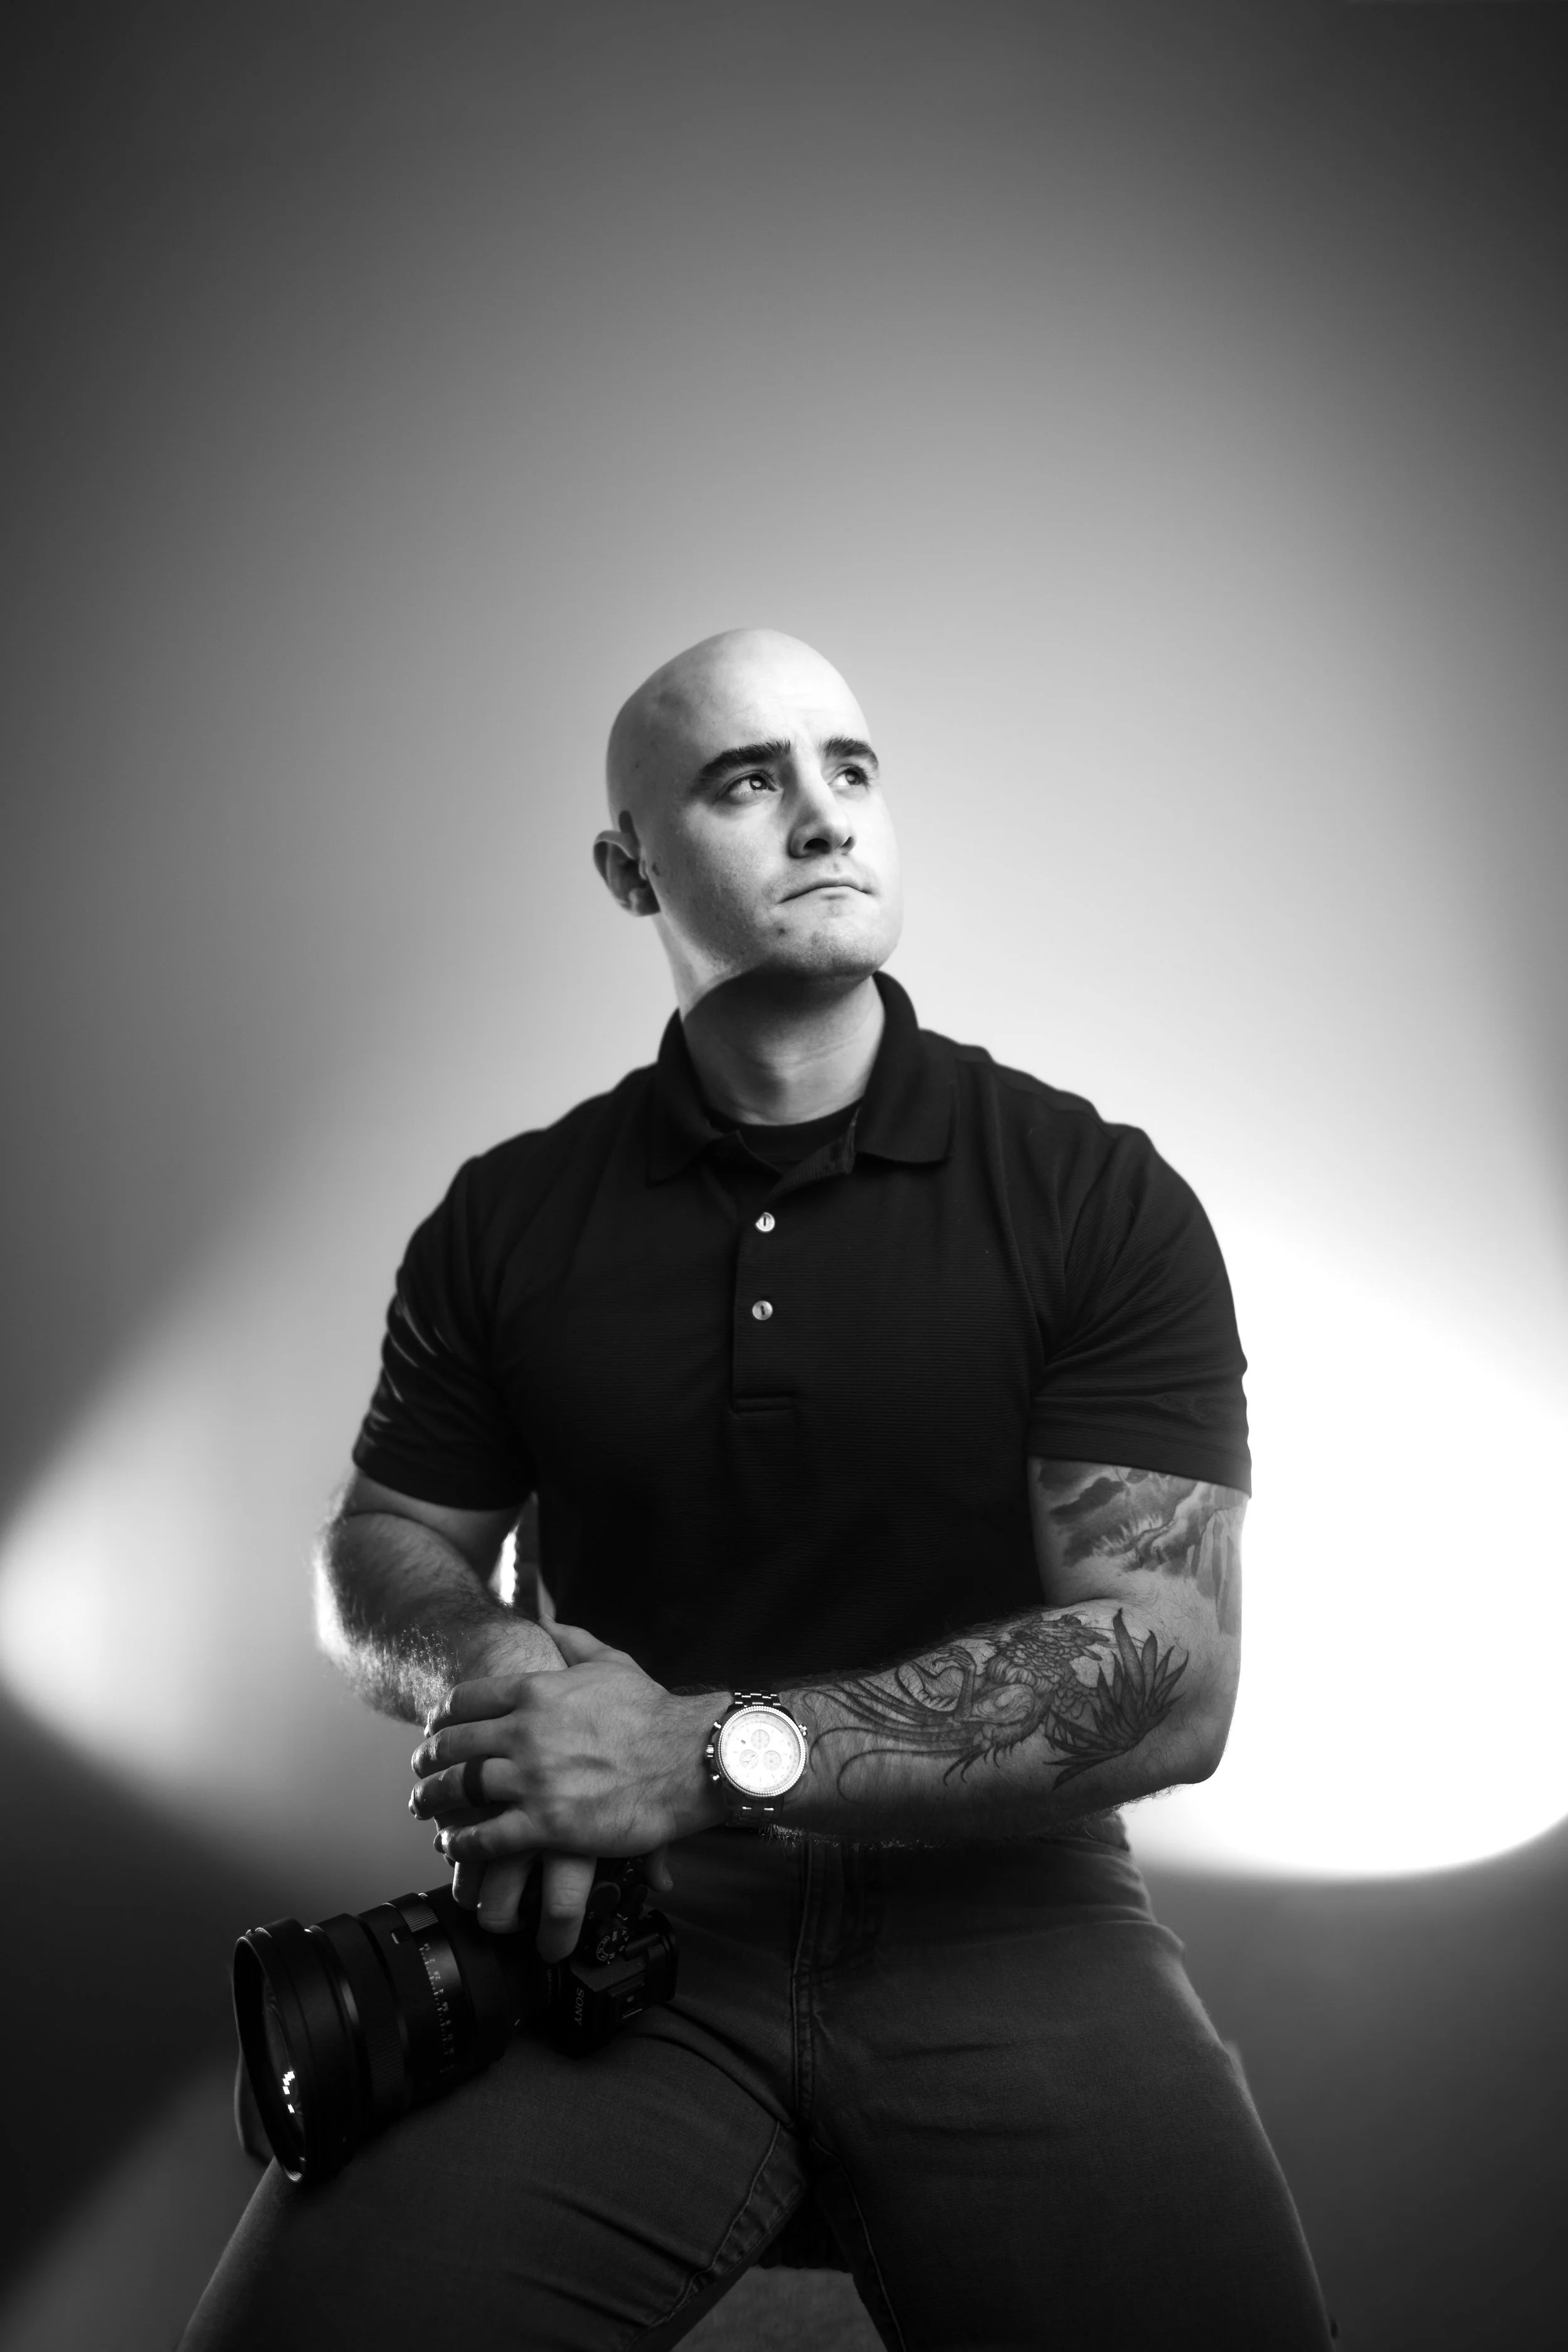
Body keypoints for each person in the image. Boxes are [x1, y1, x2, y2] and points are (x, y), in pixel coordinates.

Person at [183, 629, 1332, 2351]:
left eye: (849, 768)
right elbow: (387, 1542)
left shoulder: (1093, 1193)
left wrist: (700, 1752)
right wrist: (489, 1665)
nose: (822, 815)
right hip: (628, 1944)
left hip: (1016, 1927)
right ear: (627, 865)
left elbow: (1166, 1671)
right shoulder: (509, 1217)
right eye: (746, 779)